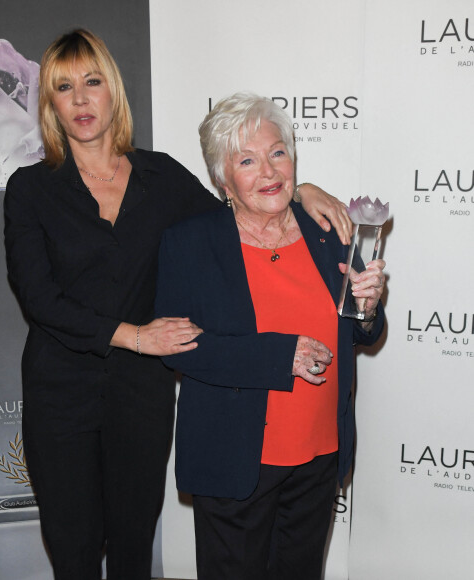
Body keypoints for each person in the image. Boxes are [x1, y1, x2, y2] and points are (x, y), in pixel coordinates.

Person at [4, 29, 354, 580]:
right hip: (62, 393)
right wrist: (136, 335)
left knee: (133, 546)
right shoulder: (30, 189)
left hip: (139, 396)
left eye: (92, 82)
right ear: (49, 103)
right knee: (73, 549)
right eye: (63, 87)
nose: (79, 99)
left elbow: (235, 196)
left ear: (112, 92)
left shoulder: (160, 175)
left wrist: (301, 190)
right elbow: (39, 298)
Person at [155, 92, 386, 580]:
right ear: (223, 178)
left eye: (277, 152)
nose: (269, 172)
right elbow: (179, 346)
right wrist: (279, 356)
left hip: (318, 457)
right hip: (235, 460)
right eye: (247, 160)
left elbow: (364, 331)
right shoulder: (190, 243)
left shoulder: (330, 231)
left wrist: (367, 308)